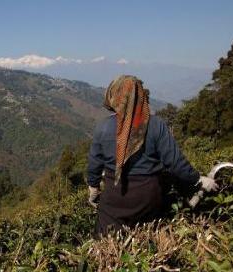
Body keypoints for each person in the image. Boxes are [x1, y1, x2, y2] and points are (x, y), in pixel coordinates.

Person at [87, 75, 218, 236]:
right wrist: (198, 180)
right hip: (148, 196)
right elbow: (175, 163)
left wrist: (93, 187)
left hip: (115, 196)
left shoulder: (103, 127)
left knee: (105, 239)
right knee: (148, 237)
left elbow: (95, 164)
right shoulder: (156, 125)